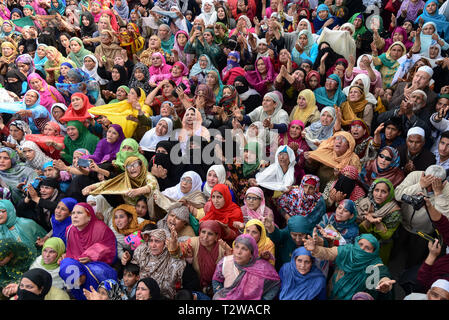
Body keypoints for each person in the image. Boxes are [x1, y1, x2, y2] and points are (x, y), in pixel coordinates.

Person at [304, 232, 396, 300]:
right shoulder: (347, 250)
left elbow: (382, 275)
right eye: (360, 244)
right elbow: (329, 253)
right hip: (333, 290)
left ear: (373, 252)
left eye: (367, 248)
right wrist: (315, 249)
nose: (362, 249)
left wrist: (385, 284)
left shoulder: (374, 264)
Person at [59, 203, 117, 300]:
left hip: (98, 266)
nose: (75, 216)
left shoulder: (100, 228)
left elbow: (111, 251)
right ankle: (79, 293)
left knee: (81, 272)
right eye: (73, 213)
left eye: (79, 213)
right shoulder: (69, 230)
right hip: (77, 265)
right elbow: (70, 251)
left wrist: (92, 256)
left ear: (89, 216)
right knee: (66, 263)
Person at [212, 234, 281, 300]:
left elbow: (275, 283)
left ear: (252, 253)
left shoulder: (263, 268)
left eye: (244, 249)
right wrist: (222, 296)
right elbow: (216, 280)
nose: (238, 252)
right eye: (237, 247)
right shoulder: (225, 262)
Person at [123, 228, 186, 300]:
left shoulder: (172, 258)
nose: (153, 245)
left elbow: (178, 261)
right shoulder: (143, 251)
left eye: (157, 241)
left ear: (165, 243)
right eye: (150, 241)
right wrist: (128, 258)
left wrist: (174, 250)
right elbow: (133, 267)